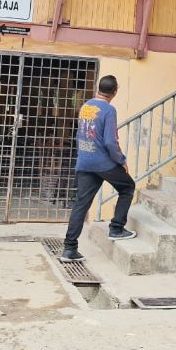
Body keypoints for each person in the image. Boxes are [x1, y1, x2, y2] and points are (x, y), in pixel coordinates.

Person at [60, 75, 136, 262]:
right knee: (127, 187)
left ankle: (69, 249)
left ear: (97, 88)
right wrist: (121, 160)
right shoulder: (109, 110)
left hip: (84, 161)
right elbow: (111, 141)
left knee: (81, 204)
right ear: (115, 91)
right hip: (103, 162)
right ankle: (116, 228)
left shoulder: (86, 106)